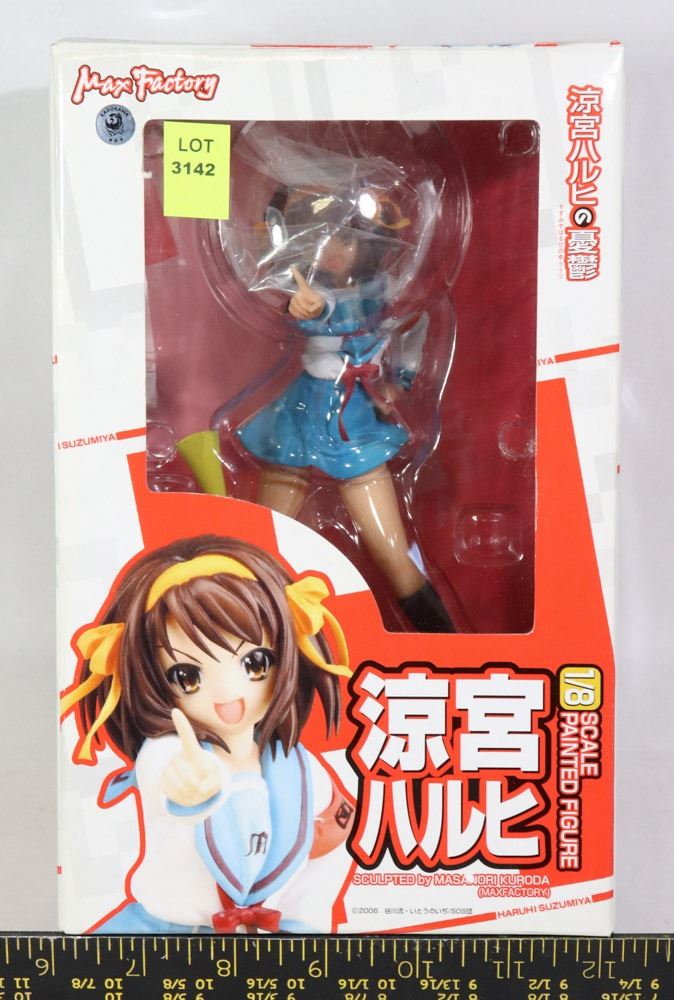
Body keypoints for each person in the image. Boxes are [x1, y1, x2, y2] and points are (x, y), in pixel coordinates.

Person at [60, 534, 354, 933]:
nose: (228, 693)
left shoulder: (300, 769)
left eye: (255, 663)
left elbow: (327, 850)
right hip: (160, 935)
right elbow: (168, 776)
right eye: (187, 676)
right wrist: (188, 786)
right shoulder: (166, 754)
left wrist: (304, 921)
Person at [234, 181, 455, 634]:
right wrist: (307, 309)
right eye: (320, 239)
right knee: (261, 548)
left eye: (346, 239)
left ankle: (440, 639)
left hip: (355, 420)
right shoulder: (313, 293)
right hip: (301, 412)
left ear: (369, 244)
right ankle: (245, 623)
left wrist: (400, 381)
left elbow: (411, 325)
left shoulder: (383, 291)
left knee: (393, 556)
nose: (332, 250)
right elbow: (319, 312)